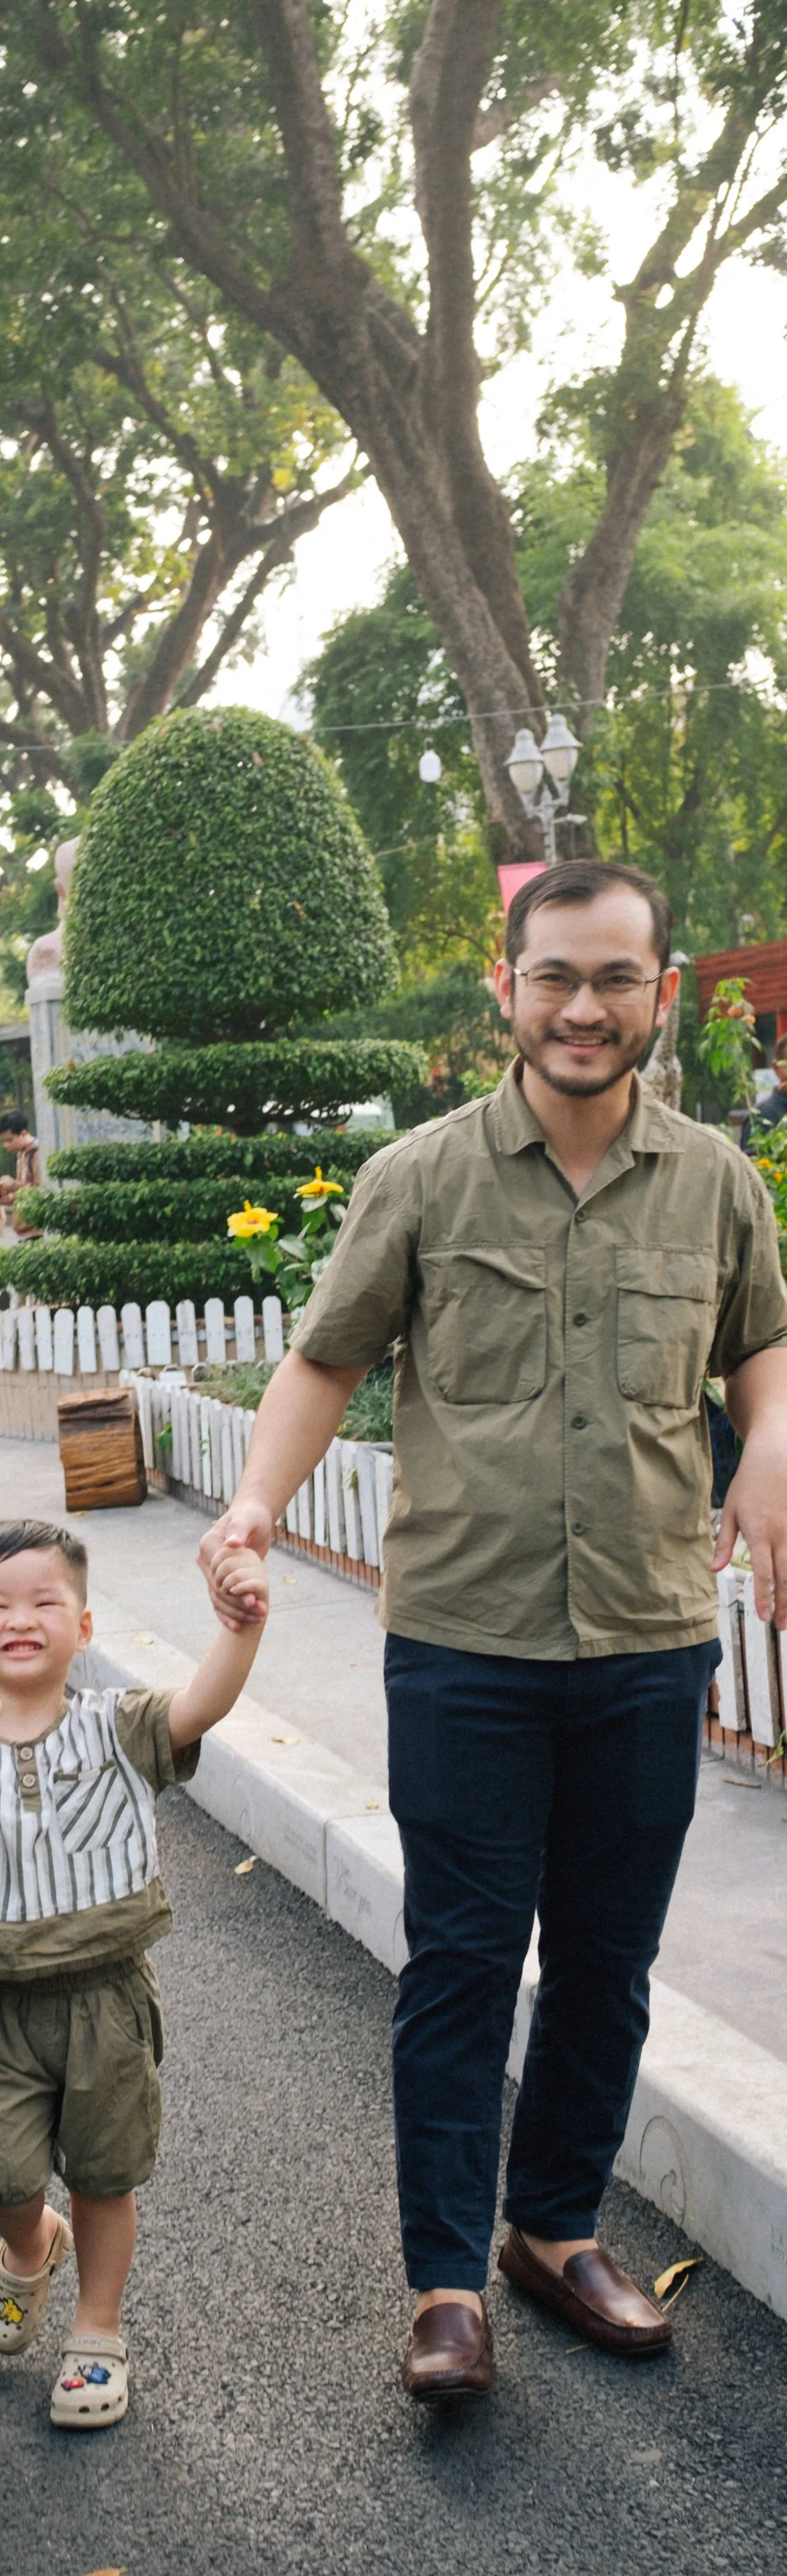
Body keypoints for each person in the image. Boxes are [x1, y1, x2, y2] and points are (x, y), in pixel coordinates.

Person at [197, 859, 787, 2402]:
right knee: (463, 1959)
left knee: (605, 1958)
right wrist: (255, 1504)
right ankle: (444, 2280)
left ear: (660, 994)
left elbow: (762, 1348)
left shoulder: (716, 1183)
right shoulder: (419, 1179)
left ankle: (551, 2228)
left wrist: (772, 1433)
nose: (580, 1008)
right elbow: (323, 1361)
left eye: (611, 979)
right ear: (502, 992)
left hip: (650, 1633)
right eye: (551, 978)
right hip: (466, 1637)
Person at [0, 1519, 268, 2430]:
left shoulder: (120, 1726)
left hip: (107, 1994)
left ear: (85, 1626)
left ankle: (97, 2329)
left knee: (106, 2173)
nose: (21, 1619)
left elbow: (201, 1708)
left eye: (44, 1602)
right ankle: (29, 2244)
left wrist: (242, 1628)